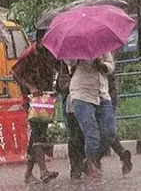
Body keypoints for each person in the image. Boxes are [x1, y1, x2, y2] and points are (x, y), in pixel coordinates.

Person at [12, 29, 59, 184]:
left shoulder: (51, 54)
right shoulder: (29, 53)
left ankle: (28, 174)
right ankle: (43, 171)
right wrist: (30, 87)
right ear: (39, 39)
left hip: (45, 97)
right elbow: (15, 74)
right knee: (38, 132)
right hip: (31, 99)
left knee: (39, 135)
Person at [69, 52, 118, 180]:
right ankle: (92, 164)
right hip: (82, 94)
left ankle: (91, 160)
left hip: (102, 93)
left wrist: (101, 64)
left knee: (109, 132)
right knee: (92, 134)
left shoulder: (103, 48)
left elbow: (111, 66)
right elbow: (69, 63)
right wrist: (80, 56)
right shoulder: (74, 48)